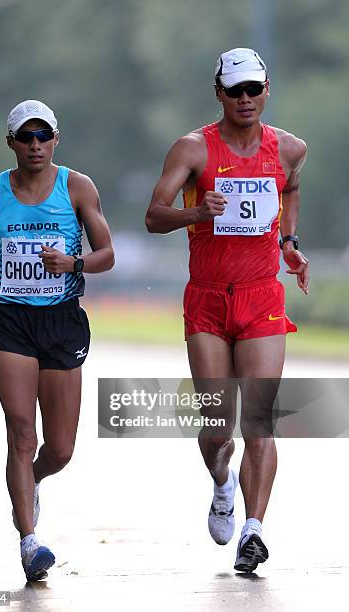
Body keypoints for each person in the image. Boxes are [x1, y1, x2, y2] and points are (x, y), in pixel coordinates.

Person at [145, 48, 309, 573]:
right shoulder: (193, 150)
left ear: (267, 91)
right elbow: (153, 215)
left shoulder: (289, 149)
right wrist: (197, 210)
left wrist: (289, 243)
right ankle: (222, 481)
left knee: (260, 417)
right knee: (219, 424)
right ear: (218, 92)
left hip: (262, 295)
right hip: (209, 299)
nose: (245, 98)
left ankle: (254, 530)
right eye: (234, 90)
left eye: (253, 89)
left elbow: (292, 189)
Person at [0, 100, 114, 582]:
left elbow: (107, 253)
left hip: (62, 321)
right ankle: (29, 543)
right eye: (26, 137)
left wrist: (73, 264)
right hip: (11, 322)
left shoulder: (77, 187)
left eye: (44, 135)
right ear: (12, 143)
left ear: (56, 140)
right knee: (21, 432)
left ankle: (35, 478)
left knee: (60, 448)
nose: (35, 144)